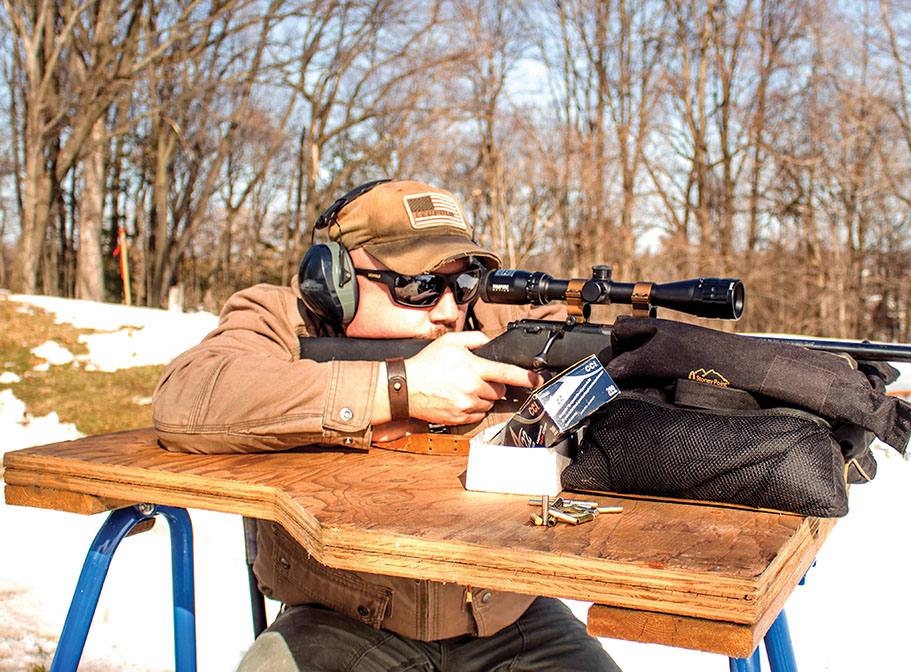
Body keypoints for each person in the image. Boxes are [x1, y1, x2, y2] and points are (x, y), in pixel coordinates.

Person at [152, 179, 621, 672]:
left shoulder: (499, 316)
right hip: (338, 619)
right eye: (419, 286)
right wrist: (401, 386)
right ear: (336, 281)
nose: (448, 311)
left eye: (463, 283)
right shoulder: (285, 318)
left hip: (506, 613)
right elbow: (187, 394)